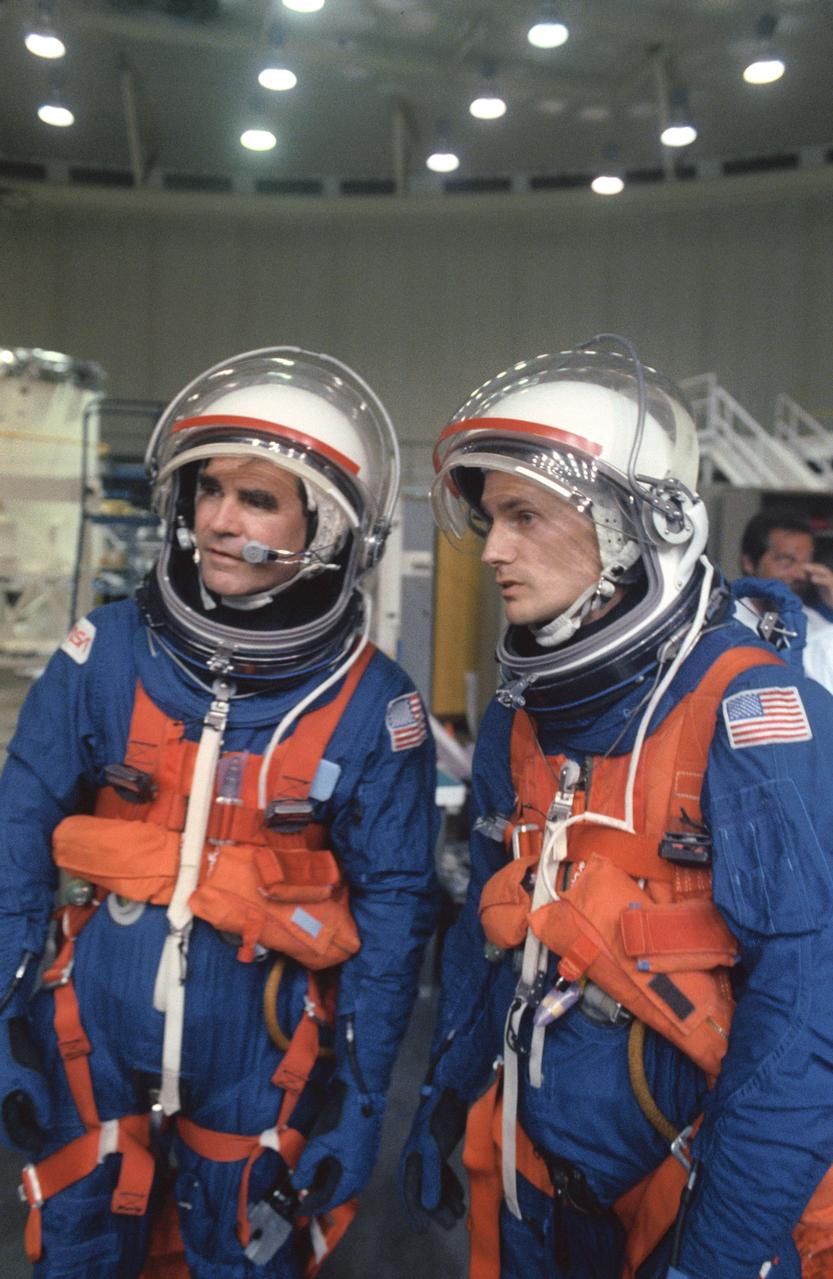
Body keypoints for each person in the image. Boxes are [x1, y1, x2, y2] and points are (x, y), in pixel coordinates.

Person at [0, 346, 439, 1278]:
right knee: (75, 1248)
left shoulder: (371, 702)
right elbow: (14, 839)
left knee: (242, 1254)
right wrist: (1, 1022)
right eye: (209, 490)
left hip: (261, 1046)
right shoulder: (107, 653)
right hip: (90, 1033)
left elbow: (397, 911)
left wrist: (361, 1104)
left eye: (257, 499)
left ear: (324, 529)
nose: (219, 521)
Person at [400, 335, 833, 1279]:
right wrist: (444, 1094)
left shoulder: (754, 713)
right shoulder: (526, 718)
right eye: (489, 518)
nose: (494, 549)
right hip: (535, 1190)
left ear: (643, 525)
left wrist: (711, 1261)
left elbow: (802, 1026)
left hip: (683, 1211)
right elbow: (493, 931)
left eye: (524, 514)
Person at [737, 512, 833, 693]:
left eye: (807, 562)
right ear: (749, 563)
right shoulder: (721, 621)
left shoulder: (816, 625)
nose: (799, 574)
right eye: (786, 561)